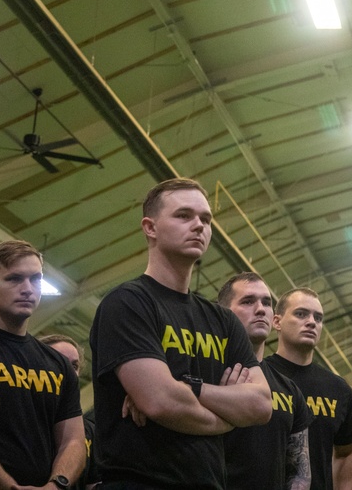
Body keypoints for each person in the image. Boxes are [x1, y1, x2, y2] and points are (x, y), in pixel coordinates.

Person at [89, 177, 271, 490]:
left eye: (206, 219)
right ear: (150, 227)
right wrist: (228, 418)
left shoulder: (223, 321)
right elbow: (160, 402)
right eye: (184, 216)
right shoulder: (128, 303)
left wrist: (187, 387)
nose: (199, 225)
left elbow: (261, 405)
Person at [0, 240, 86, 490]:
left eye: (35, 279)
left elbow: (73, 441)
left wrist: (57, 485)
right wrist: (9, 487)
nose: (27, 289)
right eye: (14, 279)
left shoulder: (57, 365)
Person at [217, 272, 312, 489]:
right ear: (223, 313)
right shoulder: (206, 374)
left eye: (267, 303)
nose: (261, 309)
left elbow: (299, 472)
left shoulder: (289, 390)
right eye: (248, 301)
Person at [264, 288, 352, 490]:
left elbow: (347, 451)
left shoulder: (338, 389)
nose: (311, 322)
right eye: (301, 314)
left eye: (318, 318)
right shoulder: (258, 376)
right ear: (277, 322)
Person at [39, 334, 97, 490]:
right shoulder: (23, 418)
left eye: (74, 366)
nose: (68, 371)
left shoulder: (89, 430)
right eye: (58, 361)